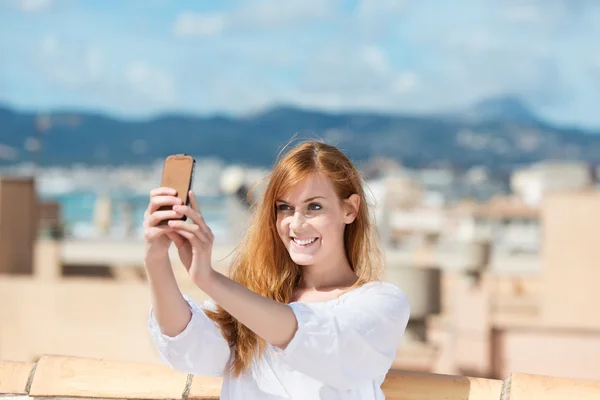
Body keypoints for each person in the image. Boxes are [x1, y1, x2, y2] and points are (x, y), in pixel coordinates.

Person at [143, 141, 410, 399]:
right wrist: (156, 257)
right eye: (285, 208)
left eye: (314, 207)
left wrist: (209, 279)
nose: (296, 224)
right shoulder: (253, 297)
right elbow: (191, 348)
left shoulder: (381, 304)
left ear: (350, 209)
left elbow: (321, 343)